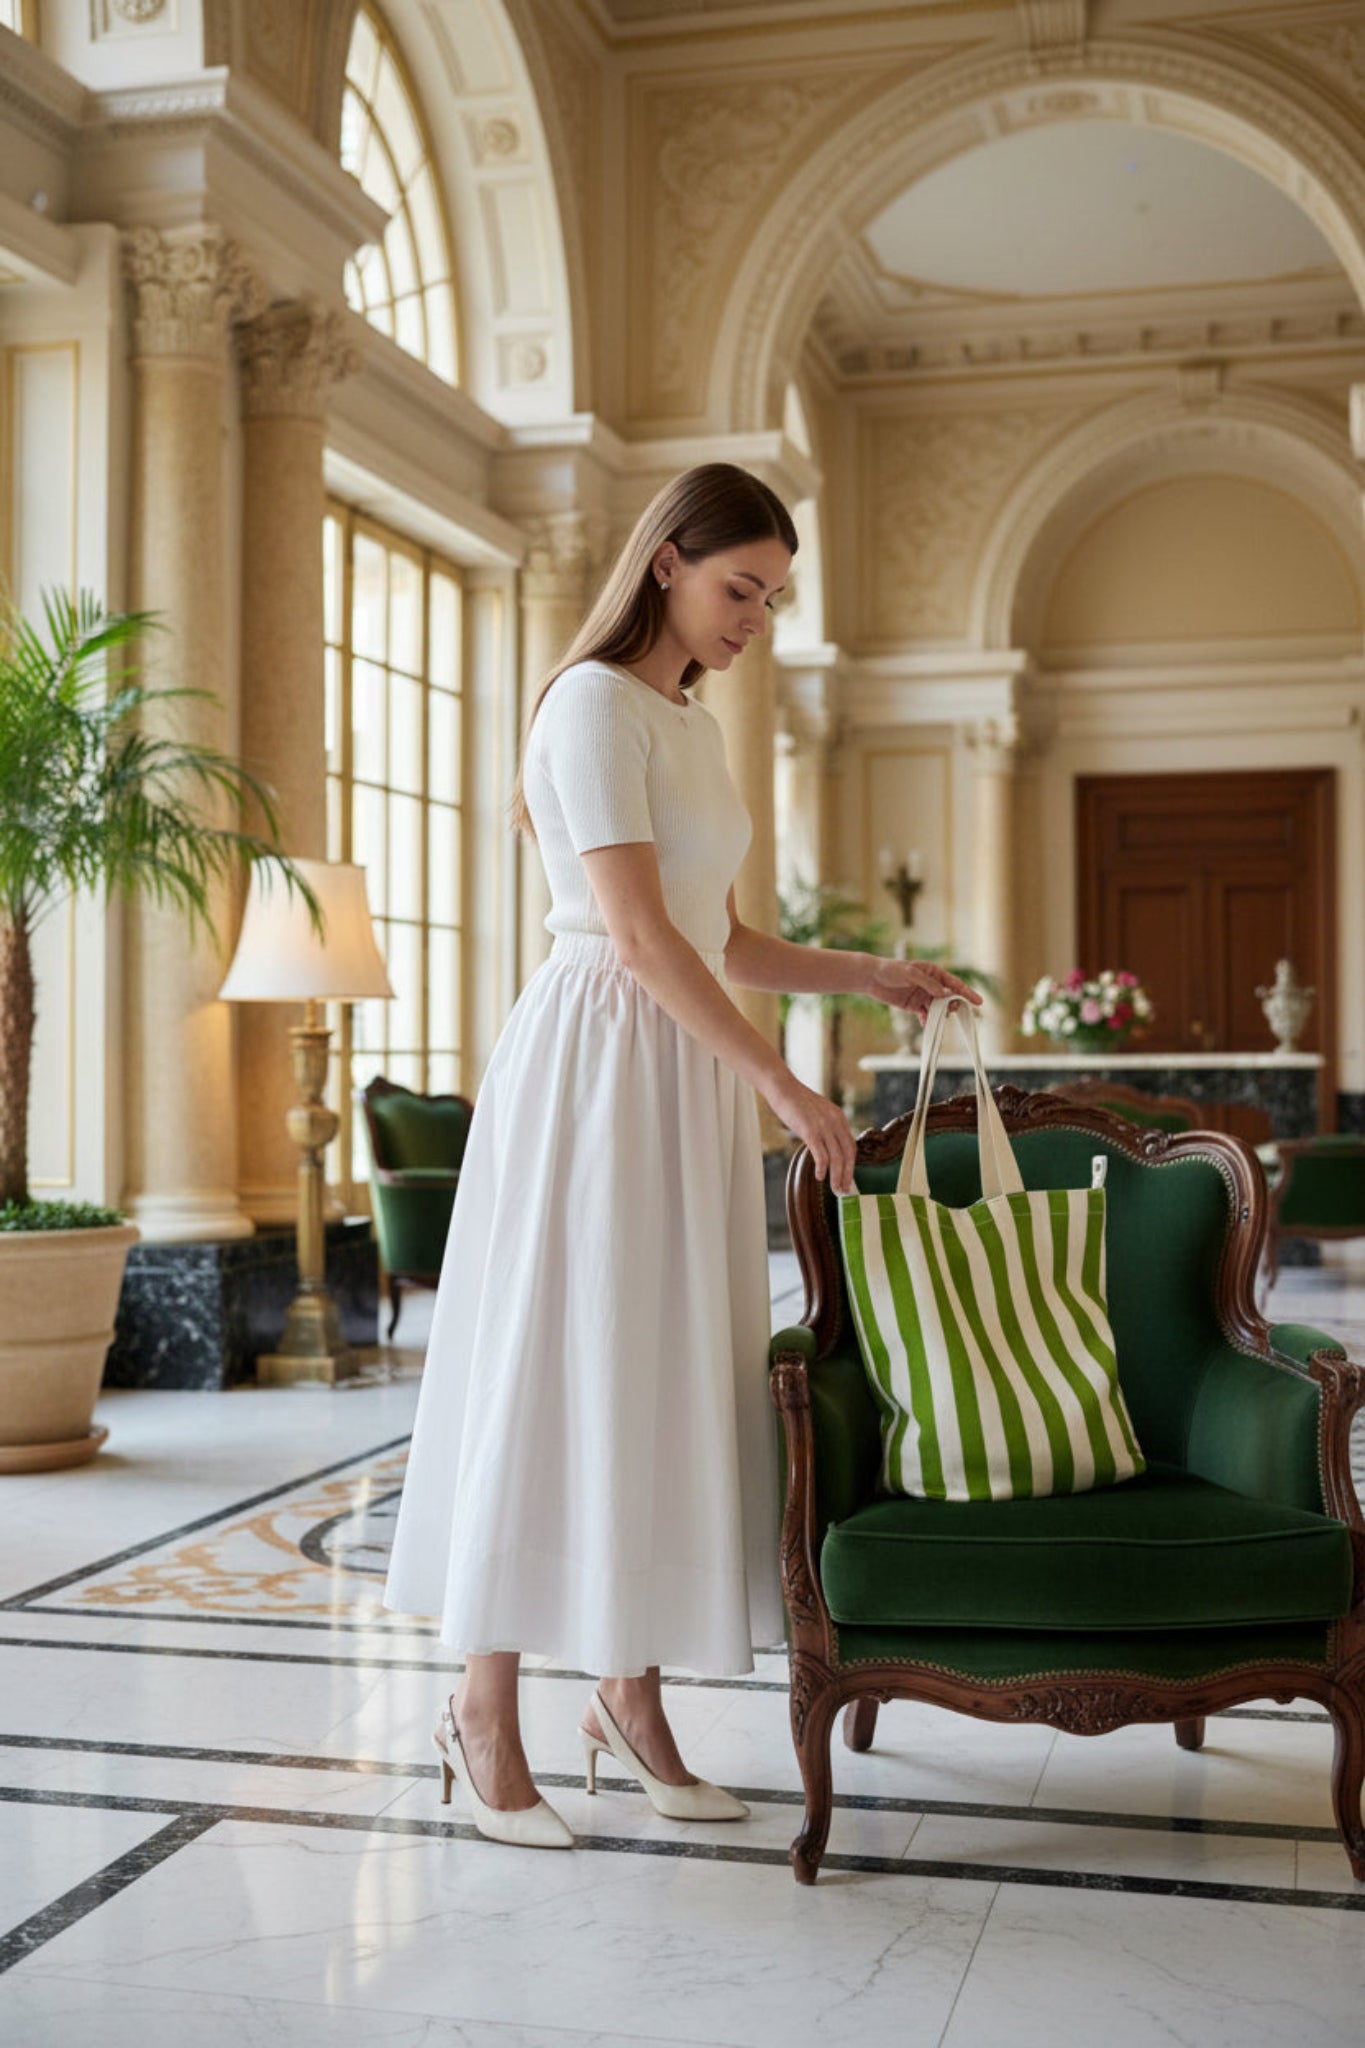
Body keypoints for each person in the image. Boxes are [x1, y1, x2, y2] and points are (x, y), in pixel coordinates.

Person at [382, 462, 979, 1848]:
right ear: (665, 564)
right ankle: (482, 1707)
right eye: (737, 588)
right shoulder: (588, 703)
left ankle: (628, 1696)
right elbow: (639, 936)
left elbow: (721, 933)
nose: (752, 617)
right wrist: (781, 1079)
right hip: (599, 1057)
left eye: (772, 598)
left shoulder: (687, 725)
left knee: (653, 1375)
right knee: (557, 1364)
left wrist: (865, 975)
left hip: (674, 1060)